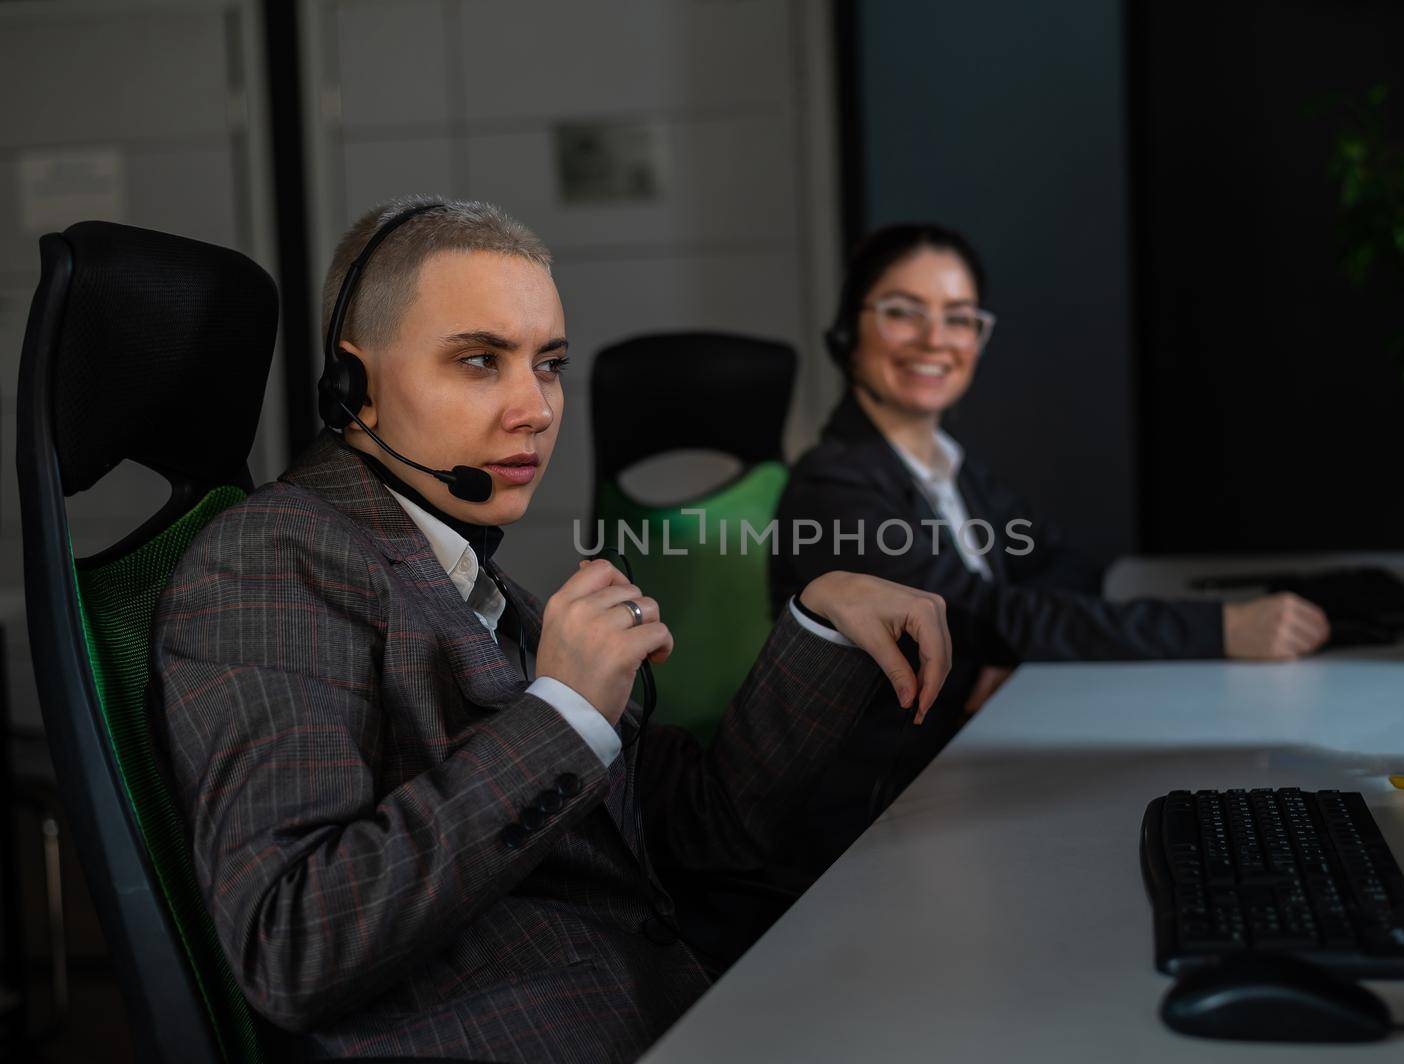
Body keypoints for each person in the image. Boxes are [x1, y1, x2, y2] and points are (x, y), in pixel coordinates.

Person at [153, 196, 952, 1063]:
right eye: (479, 361)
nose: (534, 408)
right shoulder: (274, 559)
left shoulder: (461, 567)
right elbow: (295, 941)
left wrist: (820, 622)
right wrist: (563, 711)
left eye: (549, 364)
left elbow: (695, 828)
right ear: (359, 384)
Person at [762, 223, 1330, 888]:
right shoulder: (831, 487)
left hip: (972, 768)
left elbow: (1066, 569)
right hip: (874, 822)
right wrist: (1221, 629)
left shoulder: (950, 471)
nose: (934, 339)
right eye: (901, 312)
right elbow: (986, 612)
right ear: (846, 333)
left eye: (959, 318)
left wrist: (996, 643)